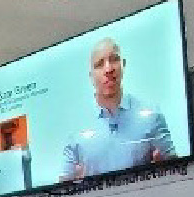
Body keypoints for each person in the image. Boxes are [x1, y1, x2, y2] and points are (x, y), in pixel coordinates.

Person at [61, 37, 176, 181]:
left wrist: (164, 169)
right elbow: (63, 185)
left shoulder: (152, 115)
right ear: (91, 76)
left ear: (123, 65)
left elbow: (178, 170)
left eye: (114, 59)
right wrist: (72, 184)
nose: (108, 69)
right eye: (99, 64)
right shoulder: (76, 128)